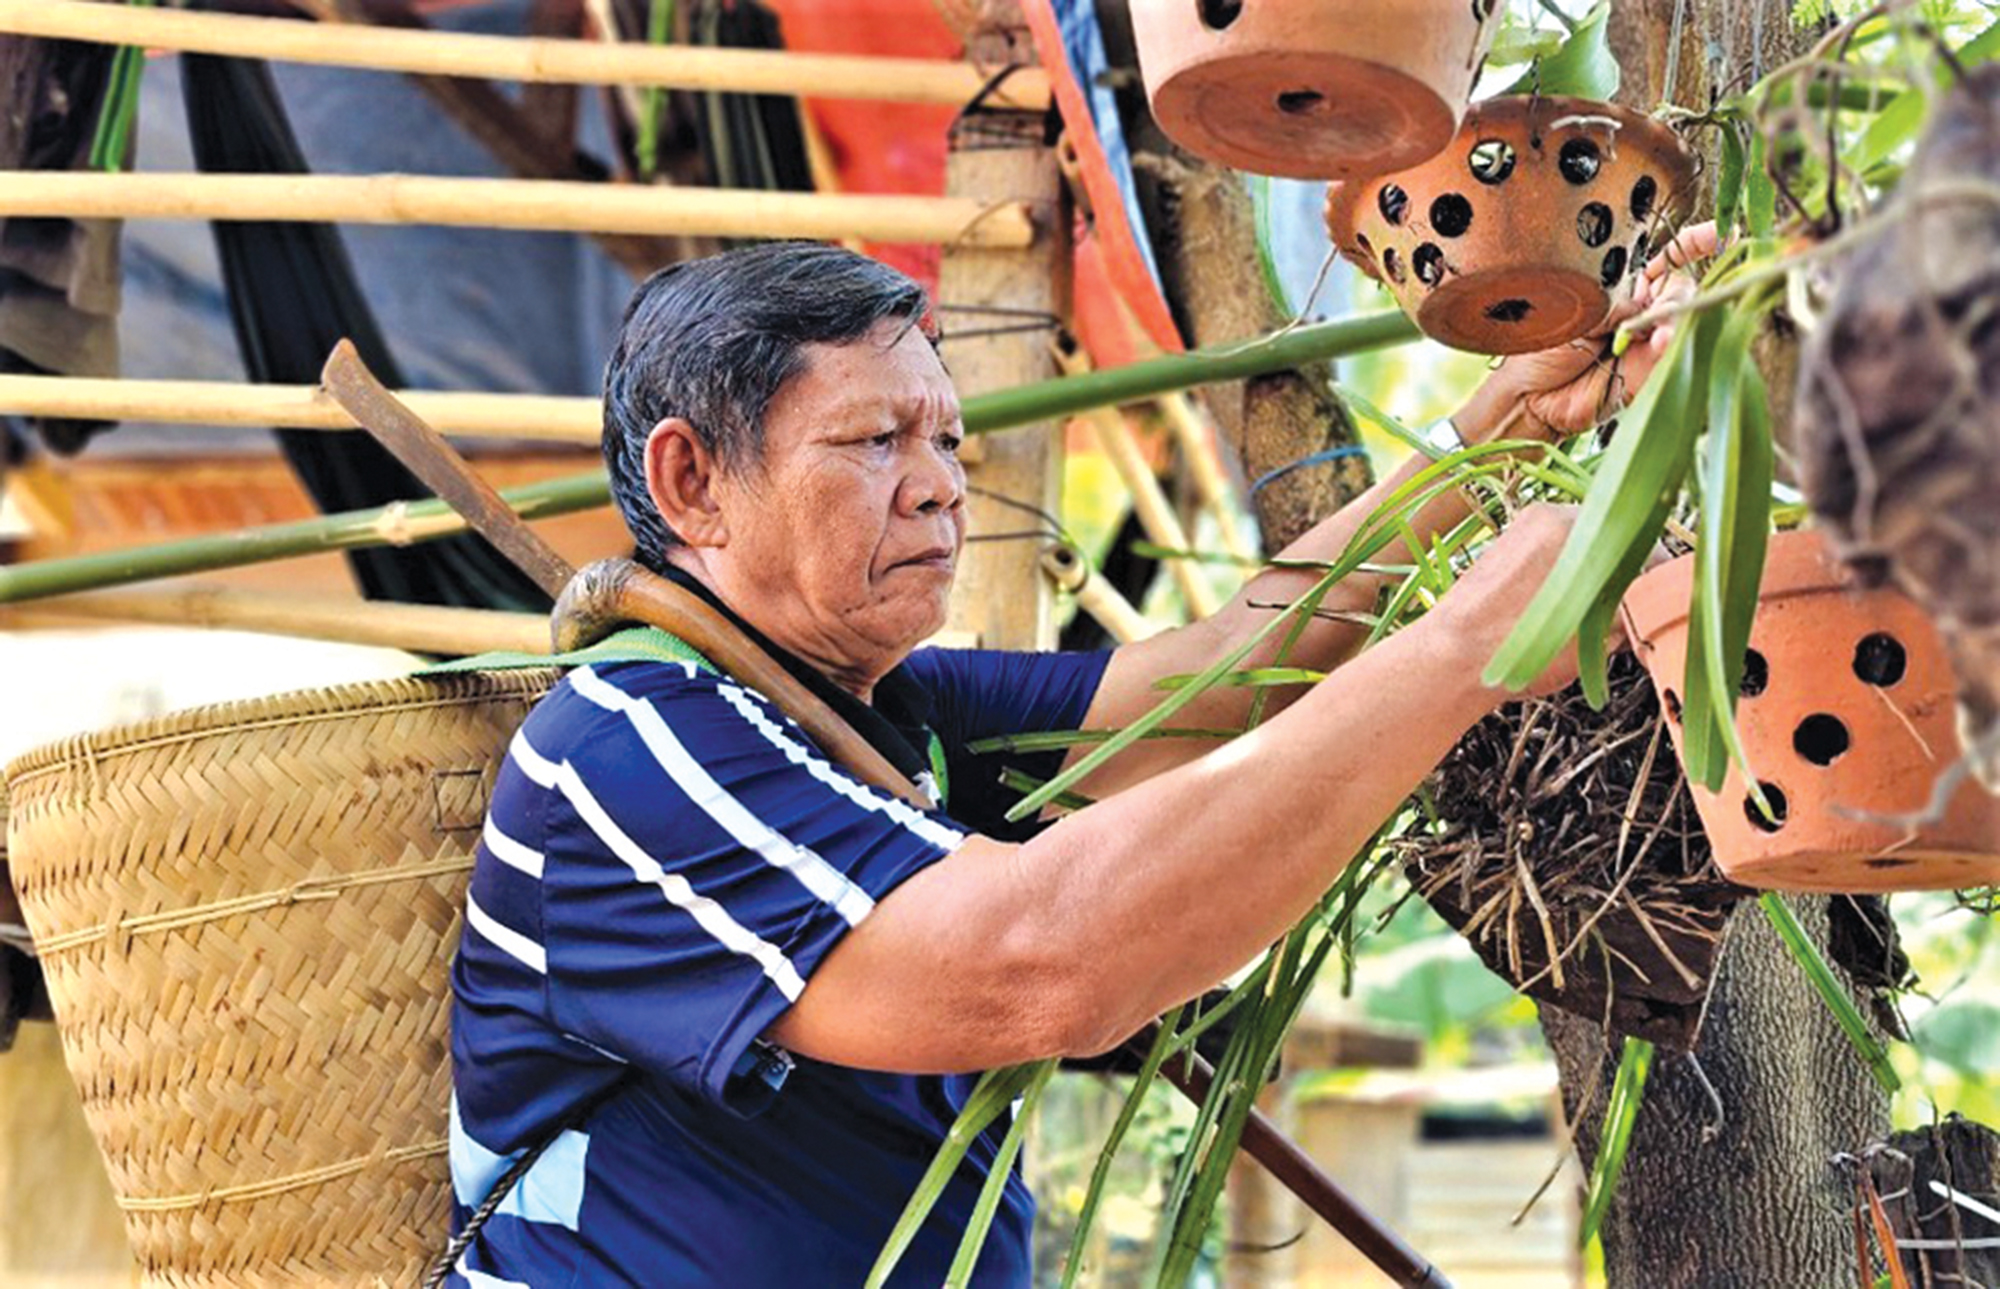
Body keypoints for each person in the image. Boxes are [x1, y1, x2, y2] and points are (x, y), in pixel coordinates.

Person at [446, 234, 1707, 1286]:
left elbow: (1218, 676)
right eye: (874, 441)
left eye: (943, 442)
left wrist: (1505, 420)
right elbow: (1040, 960)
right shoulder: (636, 748)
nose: (939, 487)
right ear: (693, 483)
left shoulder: (882, 706)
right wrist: (1477, 637)